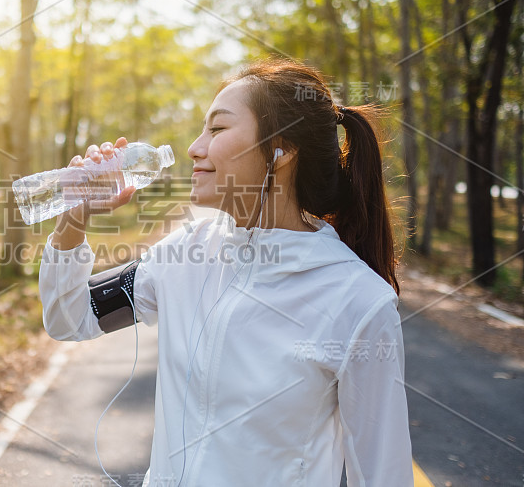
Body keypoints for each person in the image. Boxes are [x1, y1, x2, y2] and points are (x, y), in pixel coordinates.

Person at [38, 58, 414, 486]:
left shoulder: (357, 302)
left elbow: (384, 475)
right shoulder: (187, 252)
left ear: (282, 149)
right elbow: (70, 317)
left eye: (217, 130)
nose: (195, 148)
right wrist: (73, 218)